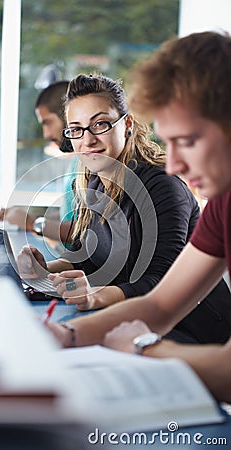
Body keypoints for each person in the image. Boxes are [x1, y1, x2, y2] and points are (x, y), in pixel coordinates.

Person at [46, 32, 231, 403]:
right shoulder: (223, 204)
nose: (175, 163)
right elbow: (160, 304)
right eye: (169, 141)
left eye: (188, 140)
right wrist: (66, 336)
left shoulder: (165, 185)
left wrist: (143, 347)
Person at [17, 73, 231, 346]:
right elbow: (91, 257)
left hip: (191, 328)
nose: (88, 139)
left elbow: (160, 280)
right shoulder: (93, 182)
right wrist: (44, 270)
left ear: (126, 124)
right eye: (77, 129)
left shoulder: (163, 186)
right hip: (133, 318)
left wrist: (95, 294)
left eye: (100, 124)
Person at [0, 81, 77, 244]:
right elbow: (72, 216)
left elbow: (87, 232)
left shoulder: (93, 162)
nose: (46, 134)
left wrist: (33, 223)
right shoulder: (77, 159)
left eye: (48, 122)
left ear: (66, 115)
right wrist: (25, 218)